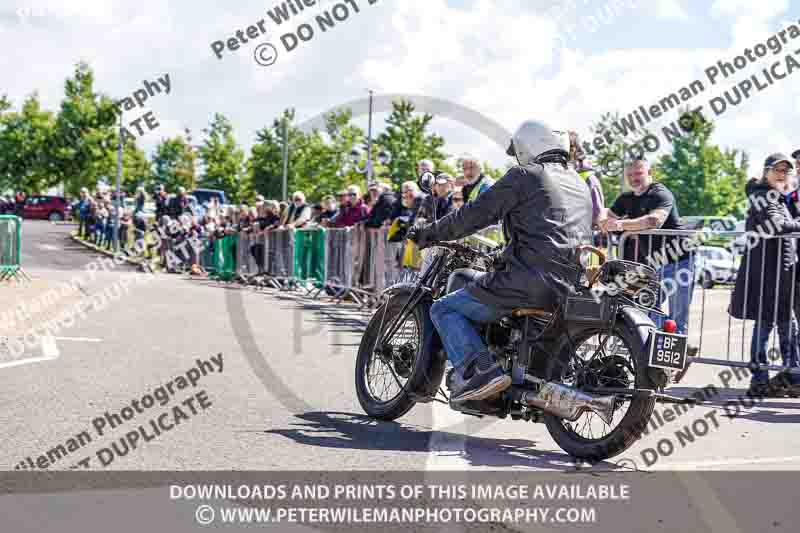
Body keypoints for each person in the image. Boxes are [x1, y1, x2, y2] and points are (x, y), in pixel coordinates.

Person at [410, 120, 590, 402]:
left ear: (529, 147)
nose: (518, 157)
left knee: (444, 310)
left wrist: (430, 233)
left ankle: (481, 371)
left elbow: (474, 214)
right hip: (569, 286)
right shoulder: (579, 183)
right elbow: (549, 233)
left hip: (526, 280)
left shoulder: (525, 175)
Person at [598, 159, 694, 336]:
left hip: (678, 260)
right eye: (630, 175)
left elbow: (653, 221)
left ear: (650, 173)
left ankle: (678, 356)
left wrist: (619, 225)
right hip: (652, 265)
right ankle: (653, 355)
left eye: (638, 173)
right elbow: (607, 216)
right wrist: (603, 218)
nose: (634, 178)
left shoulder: (660, 193)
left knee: (678, 317)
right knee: (649, 311)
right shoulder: (626, 198)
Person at [730, 154, 800, 396]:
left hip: (778, 271)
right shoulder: (764, 195)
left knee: (778, 325)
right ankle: (771, 378)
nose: (782, 174)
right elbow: (777, 225)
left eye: (786, 171)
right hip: (769, 273)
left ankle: (783, 377)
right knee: (774, 325)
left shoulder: (774, 195)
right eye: (777, 170)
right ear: (766, 172)